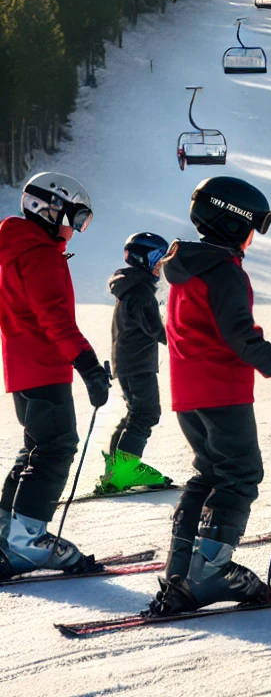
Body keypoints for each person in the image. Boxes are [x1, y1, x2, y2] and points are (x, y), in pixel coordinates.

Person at [148, 177, 271, 615]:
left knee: (209, 475)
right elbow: (241, 337)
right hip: (221, 392)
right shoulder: (224, 272)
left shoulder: (187, 267)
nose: (252, 238)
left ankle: (180, 572)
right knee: (240, 474)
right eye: (251, 227)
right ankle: (210, 571)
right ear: (234, 223)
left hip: (188, 394)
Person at [0, 173, 109, 577]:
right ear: (46, 208)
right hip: (45, 367)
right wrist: (89, 365)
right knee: (55, 448)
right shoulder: (40, 254)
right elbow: (55, 319)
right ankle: (27, 542)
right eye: (72, 218)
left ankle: (7, 533)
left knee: (35, 449)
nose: (74, 229)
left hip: (22, 368)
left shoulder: (15, 247)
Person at [98, 233, 172, 494]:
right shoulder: (140, 292)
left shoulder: (132, 286)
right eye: (157, 261)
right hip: (138, 364)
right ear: (143, 260)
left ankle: (116, 470)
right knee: (146, 413)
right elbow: (156, 330)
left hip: (130, 362)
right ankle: (124, 471)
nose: (159, 268)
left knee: (136, 413)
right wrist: (182, 338)